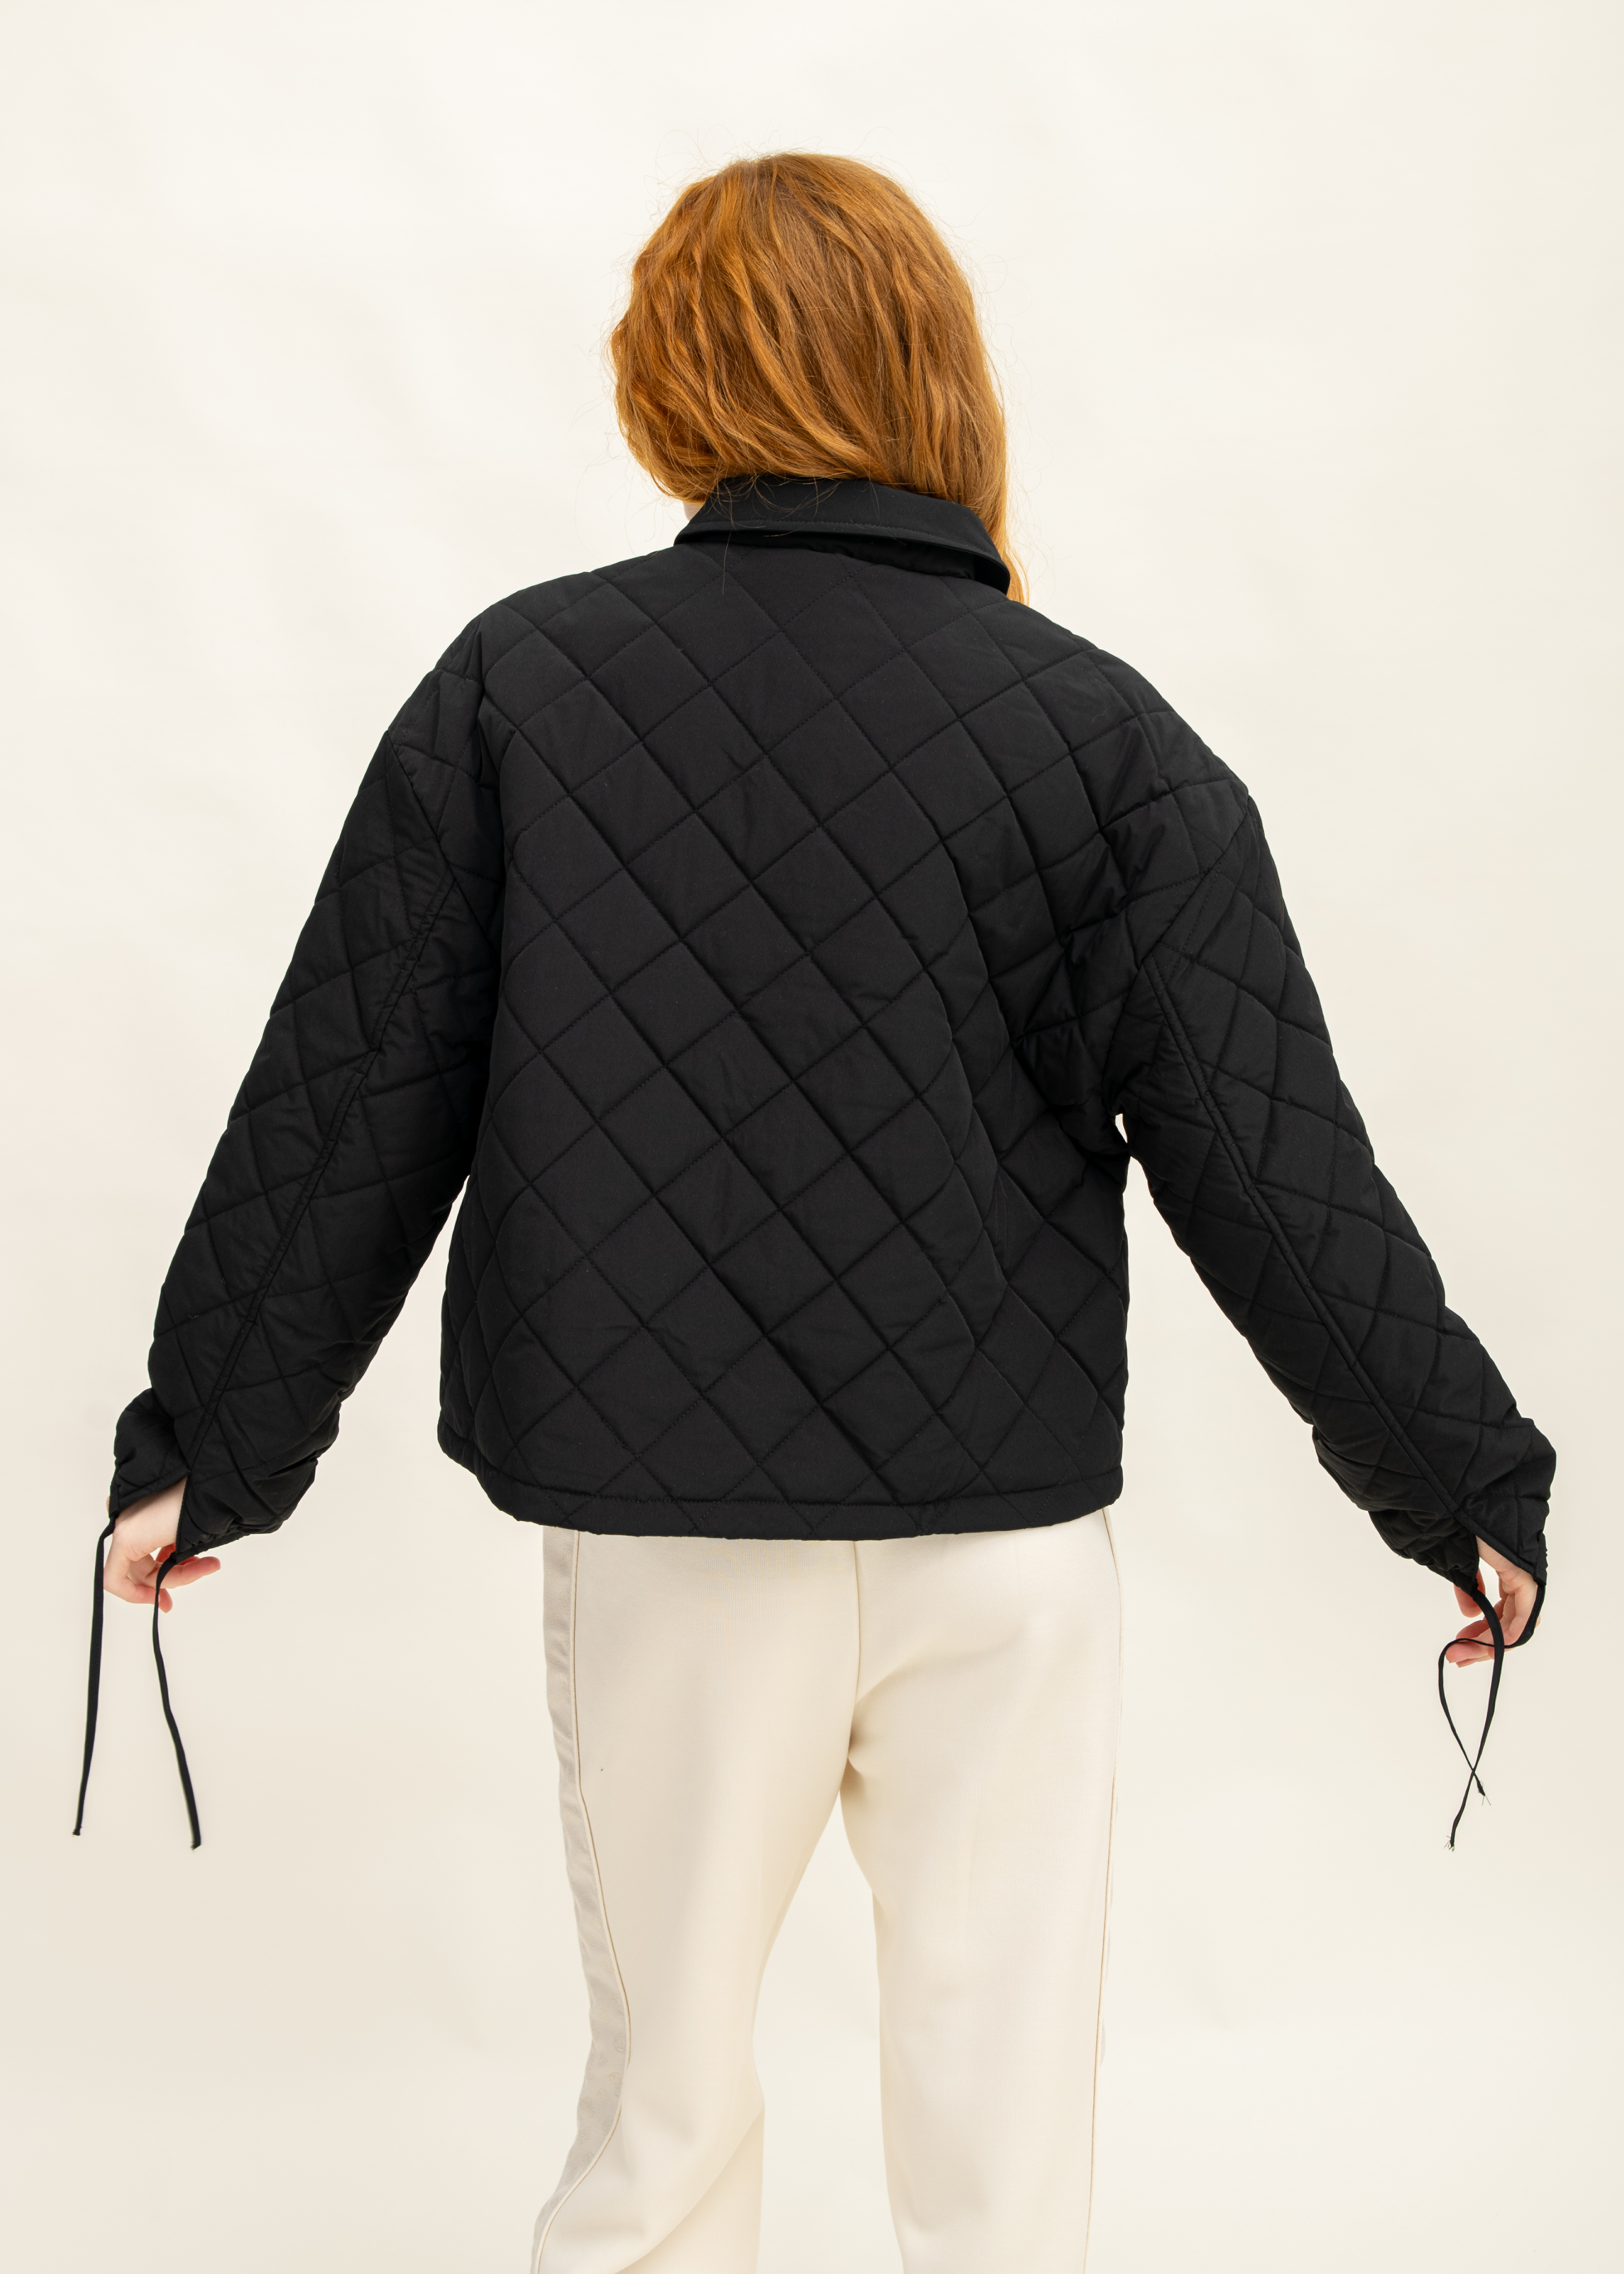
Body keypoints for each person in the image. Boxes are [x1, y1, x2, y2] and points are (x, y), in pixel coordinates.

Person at [78, 153, 1553, 2274]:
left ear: (675, 378)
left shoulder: (522, 687)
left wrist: (205, 1441)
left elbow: (351, 1106)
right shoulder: (1102, 736)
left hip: (672, 1543)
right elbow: (1274, 1164)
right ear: (937, 368)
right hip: (1000, 1549)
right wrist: (1460, 1483)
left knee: (661, 2127)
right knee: (1005, 2160)